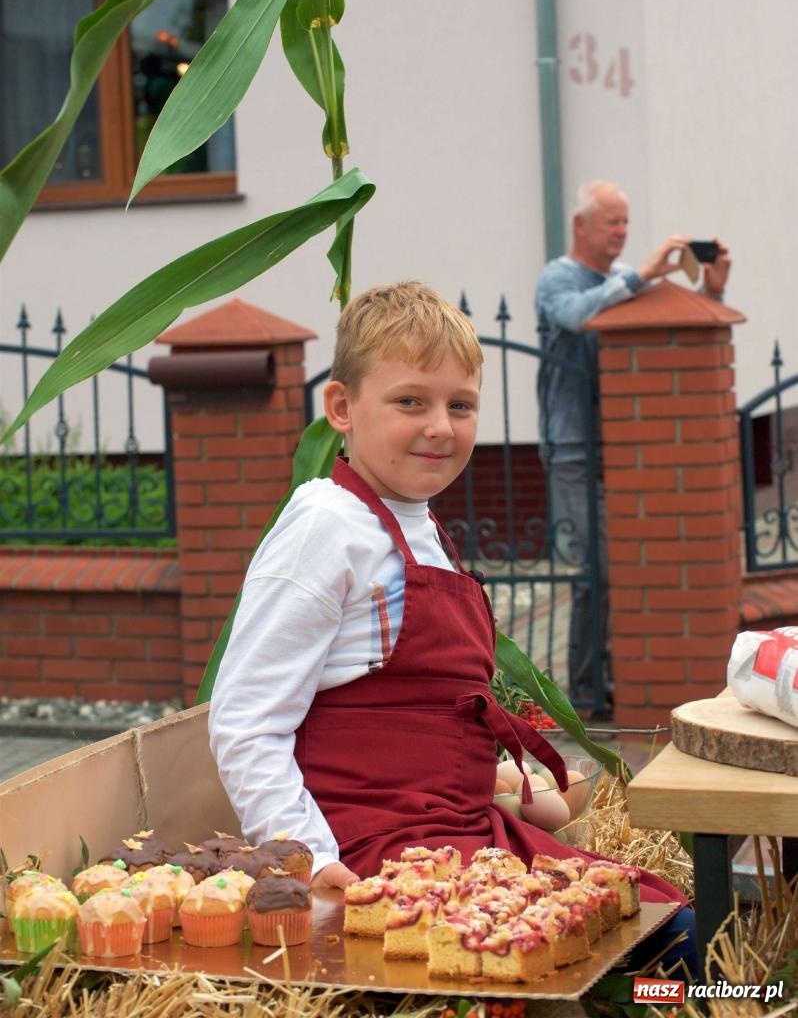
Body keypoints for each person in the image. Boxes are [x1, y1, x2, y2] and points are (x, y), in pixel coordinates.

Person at [208, 279, 688, 964]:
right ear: (342, 408)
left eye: (460, 405)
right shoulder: (326, 524)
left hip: (464, 834)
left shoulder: (421, 523)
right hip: (379, 852)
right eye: (411, 401)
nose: (441, 425)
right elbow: (247, 721)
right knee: (662, 947)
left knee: (657, 917)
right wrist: (308, 859)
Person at [535, 181, 731, 718]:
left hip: (625, 445)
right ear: (581, 226)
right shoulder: (558, 278)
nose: (622, 231)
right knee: (592, 570)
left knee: (624, 565)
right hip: (572, 448)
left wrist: (711, 294)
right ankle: (585, 692)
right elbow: (576, 316)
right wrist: (641, 275)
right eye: (612, 221)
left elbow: (670, 337)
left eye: (625, 221)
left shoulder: (624, 281)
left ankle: (608, 679)